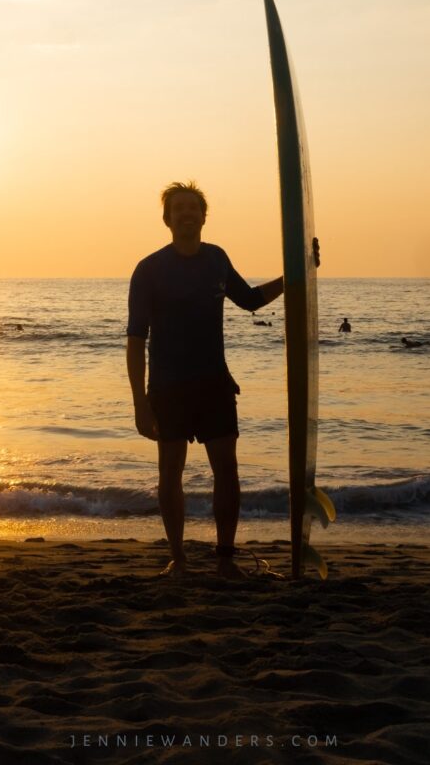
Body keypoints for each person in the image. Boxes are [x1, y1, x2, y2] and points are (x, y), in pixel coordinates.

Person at [126, 181, 283, 579]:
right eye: (178, 208)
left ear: (203, 216)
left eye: (193, 208)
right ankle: (178, 558)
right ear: (167, 219)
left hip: (214, 383)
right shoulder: (149, 270)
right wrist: (140, 404)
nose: (186, 214)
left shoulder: (216, 259)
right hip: (168, 386)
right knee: (170, 473)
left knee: (226, 471)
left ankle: (226, 557)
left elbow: (248, 300)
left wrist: (293, 277)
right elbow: (135, 340)